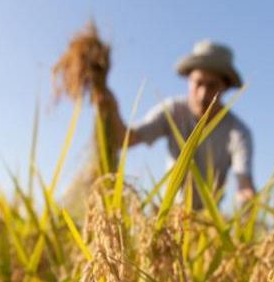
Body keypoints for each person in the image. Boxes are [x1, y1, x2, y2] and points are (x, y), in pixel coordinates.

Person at [98, 39, 255, 208]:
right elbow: (128, 139)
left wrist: (247, 199)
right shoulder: (173, 111)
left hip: (209, 219)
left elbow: (243, 180)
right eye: (198, 83)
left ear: (225, 87)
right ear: (189, 81)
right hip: (172, 211)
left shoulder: (237, 132)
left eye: (212, 85)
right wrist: (110, 109)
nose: (203, 94)